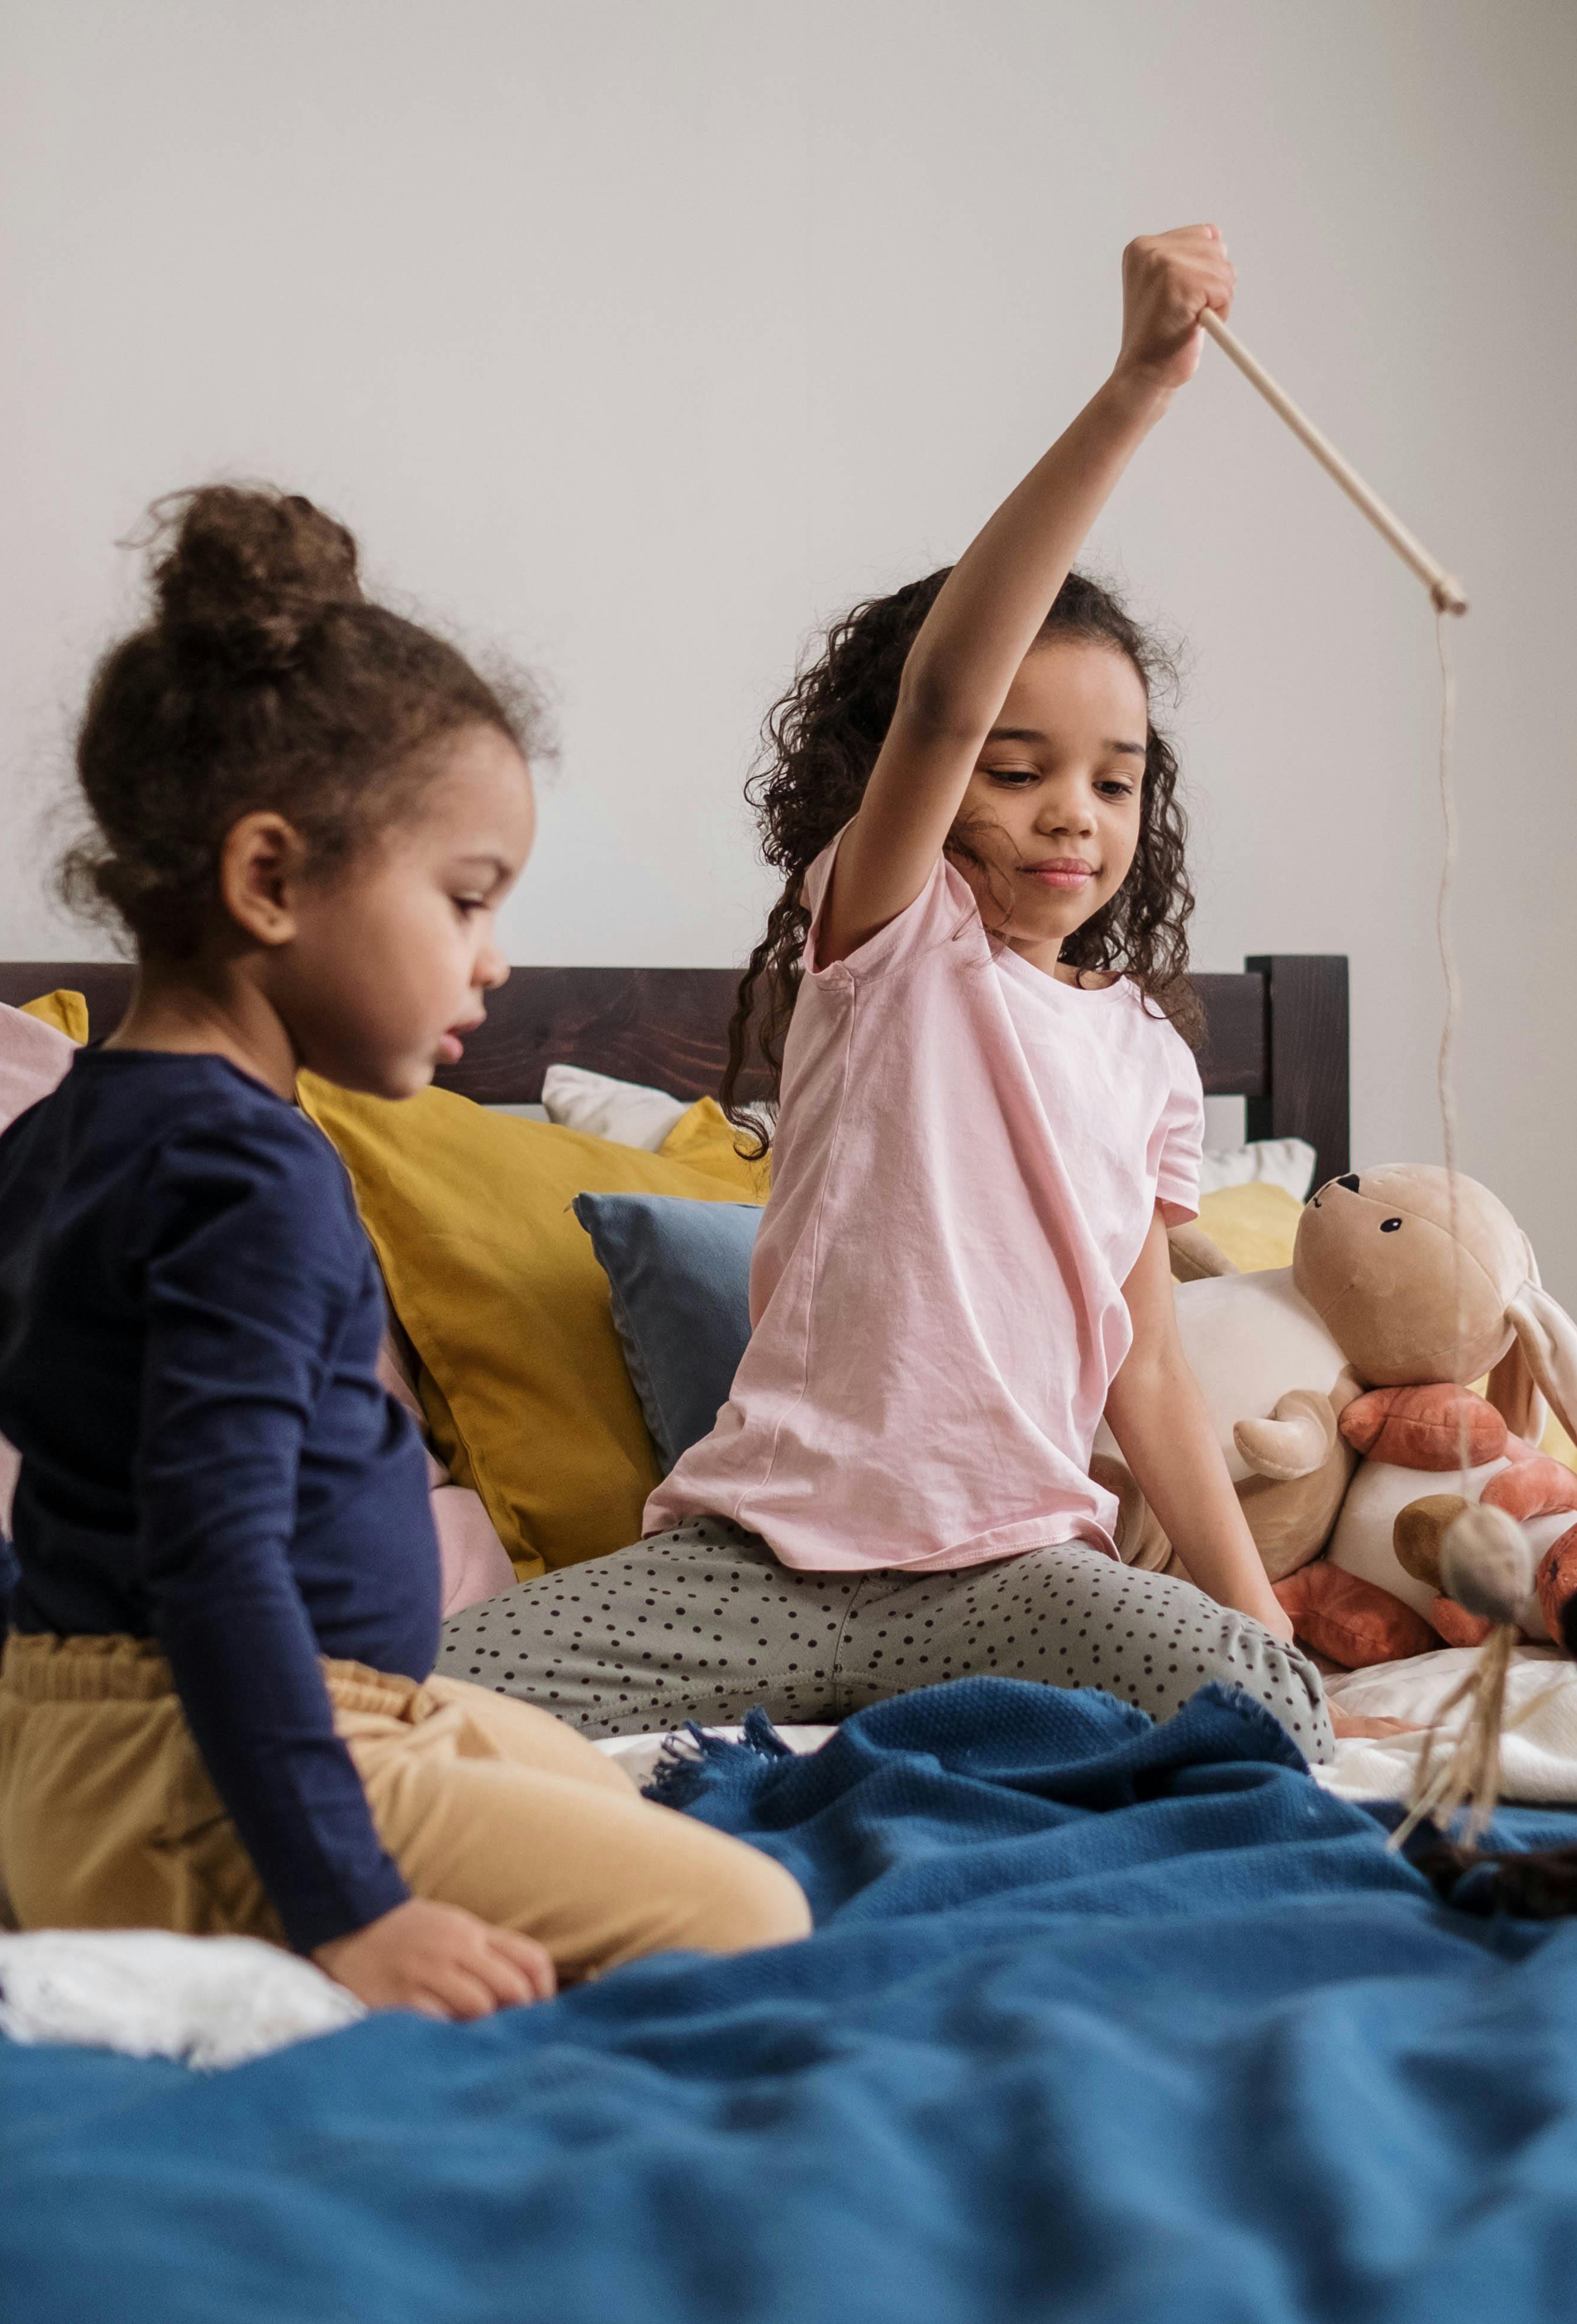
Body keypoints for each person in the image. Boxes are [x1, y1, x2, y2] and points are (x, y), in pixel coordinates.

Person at [0, 486, 808, 2022]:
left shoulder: (75, 1128)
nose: (496, 958)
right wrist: (348, 1906)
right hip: (206, 1783)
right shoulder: (252, 1176)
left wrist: (6, 1690)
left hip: (114, 1756)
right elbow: (216, 1553)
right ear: (272, 881)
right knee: (755, 1916)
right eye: (468, 898)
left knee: (595, 1784)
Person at [440, 227, 1337, 1763]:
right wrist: (1133, 393)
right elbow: (940, 695)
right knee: (388, 1709)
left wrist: (1262, 1621)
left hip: (1012, 1574)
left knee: (1274, 1715)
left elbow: (1152, 1370)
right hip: (762, 1570)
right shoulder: (892, 941)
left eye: (1114, 782)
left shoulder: (1141, 1057)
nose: (1074, 815)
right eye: (1021, 768)